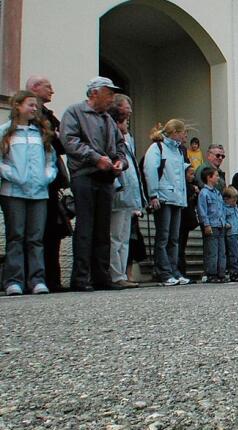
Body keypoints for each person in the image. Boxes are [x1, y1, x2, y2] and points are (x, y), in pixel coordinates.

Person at [61, 76, 127, 291]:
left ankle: (101, 276)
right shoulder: (74, 112)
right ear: (94, 93)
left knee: (102, 230)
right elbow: (70, 141)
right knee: (85, 228)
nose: (112, 98)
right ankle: (81, 278)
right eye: (109, 93)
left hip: (106, 178)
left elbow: (120, 146)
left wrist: (120, 162)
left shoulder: (108, 119)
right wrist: (95, 157)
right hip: (84, 175)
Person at [0, 90, 58, 295]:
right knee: (16, 236)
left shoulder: (41, 133)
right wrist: (14, 176)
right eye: (31, 105)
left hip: (39, 193)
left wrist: (46, 177)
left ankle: (37, 280)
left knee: (36, 238)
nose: (35, 109)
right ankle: (14, 281)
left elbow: (51, 162)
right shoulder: (5, 132)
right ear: (18, 106)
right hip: (13, 192)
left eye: (36, 105)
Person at [26, 75, 70, 292]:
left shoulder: (50, 117)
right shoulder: (25, 117)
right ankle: (33, 278)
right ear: (34, 88)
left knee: (53, 231)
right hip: (27, 181)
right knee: (32, 233)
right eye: (48, 87)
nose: (52, 90)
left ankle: (51, 279)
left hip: (50, 181)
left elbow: (63, 144)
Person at [144, 119, 190, 286]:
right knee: (163, 236)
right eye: (183, 132)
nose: (185, 135)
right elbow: (150, 171)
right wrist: (153, 195)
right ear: (176, 132)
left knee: (174, 237)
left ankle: (174, 270)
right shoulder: (157, 148)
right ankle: (164, 271)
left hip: (177, 198)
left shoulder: (178, 151)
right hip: (164, 197)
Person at [107, 94, 145, 289]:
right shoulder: (111, 133)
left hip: (128, 194)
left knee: (123, 237)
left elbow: (133, 170)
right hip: (117, 191)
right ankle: (115, 275)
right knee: (115, 236)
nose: (129, 118)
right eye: (126, 111)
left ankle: (121, 273)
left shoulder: (127, 139)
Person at [197, 166, 226, 283]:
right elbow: (202, 210)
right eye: (216, 176)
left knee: (221, 251)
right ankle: (211, 273)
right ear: (209, 177)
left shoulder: (218, 193)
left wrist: (224, 221)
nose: (218, 178)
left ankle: (221, 273)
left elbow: (221, 208)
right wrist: (206, 224)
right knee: (212, 251)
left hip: (220, 224)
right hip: (212, 225)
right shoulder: (204, 193)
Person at [222, 186, 238, 282]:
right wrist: (225, 224)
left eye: (236, 201)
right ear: (226, 199)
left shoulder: (235, 207)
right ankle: (233, 272)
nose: (234, 203)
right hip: (231, 234)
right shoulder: (225, 208)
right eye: (233, 201)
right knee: (233, 254)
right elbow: (222, 218)